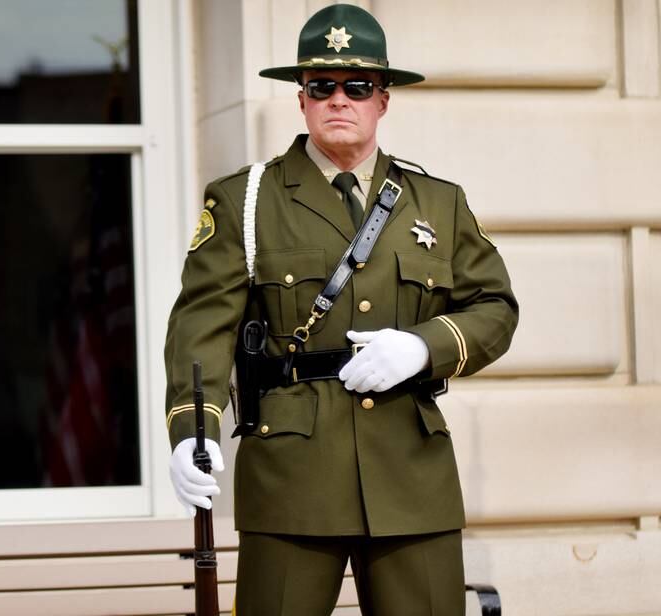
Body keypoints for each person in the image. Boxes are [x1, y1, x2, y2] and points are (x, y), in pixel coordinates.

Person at [165, 4, 518, 614]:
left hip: (412, 473)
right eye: (321, 86)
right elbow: (202, 327)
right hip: (292, 475)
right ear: (300, 100)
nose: (339, 99)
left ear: (383, 100)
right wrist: (192, 429)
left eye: (358, 86)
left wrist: (421, 346)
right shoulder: (245, 201)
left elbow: (496, 308)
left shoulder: (437, 201)